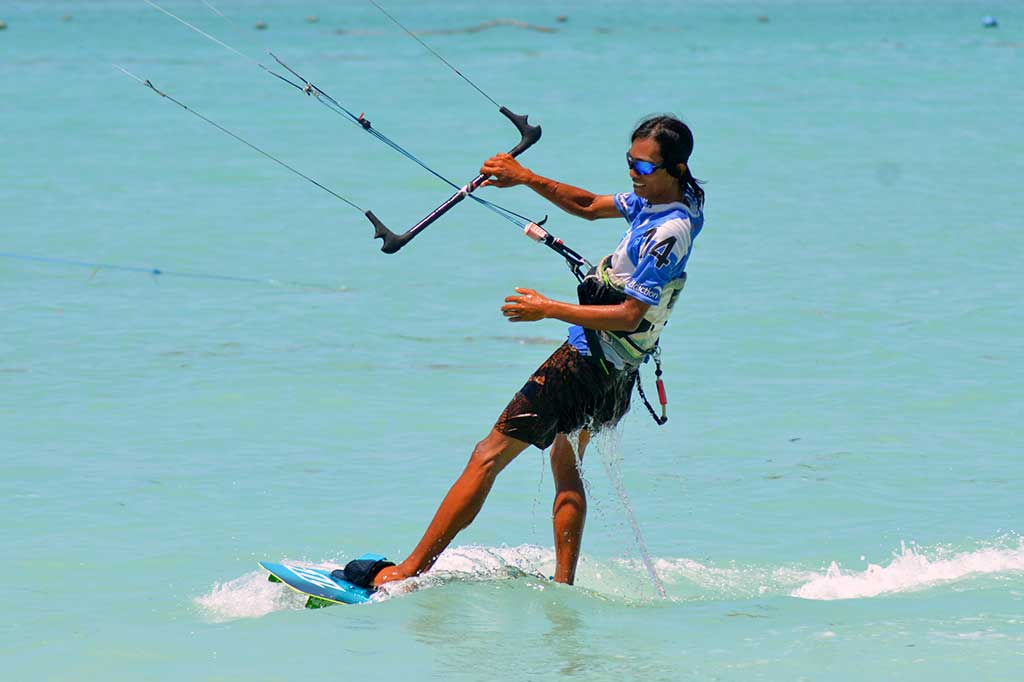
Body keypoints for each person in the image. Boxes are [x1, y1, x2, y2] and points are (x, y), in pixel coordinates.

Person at [355, 114, 705, 588]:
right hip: (618, 370)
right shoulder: (656, 200)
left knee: (487, 455)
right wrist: (525, 178)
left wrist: (548, 308)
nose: (632, 175)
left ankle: (406, 572)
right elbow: (586, 205)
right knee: (566, 463)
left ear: (676, 169)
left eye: (643, 168)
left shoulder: (671, 229)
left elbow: (629, 314)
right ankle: (564, 588)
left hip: (587, 363)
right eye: (630, 163)